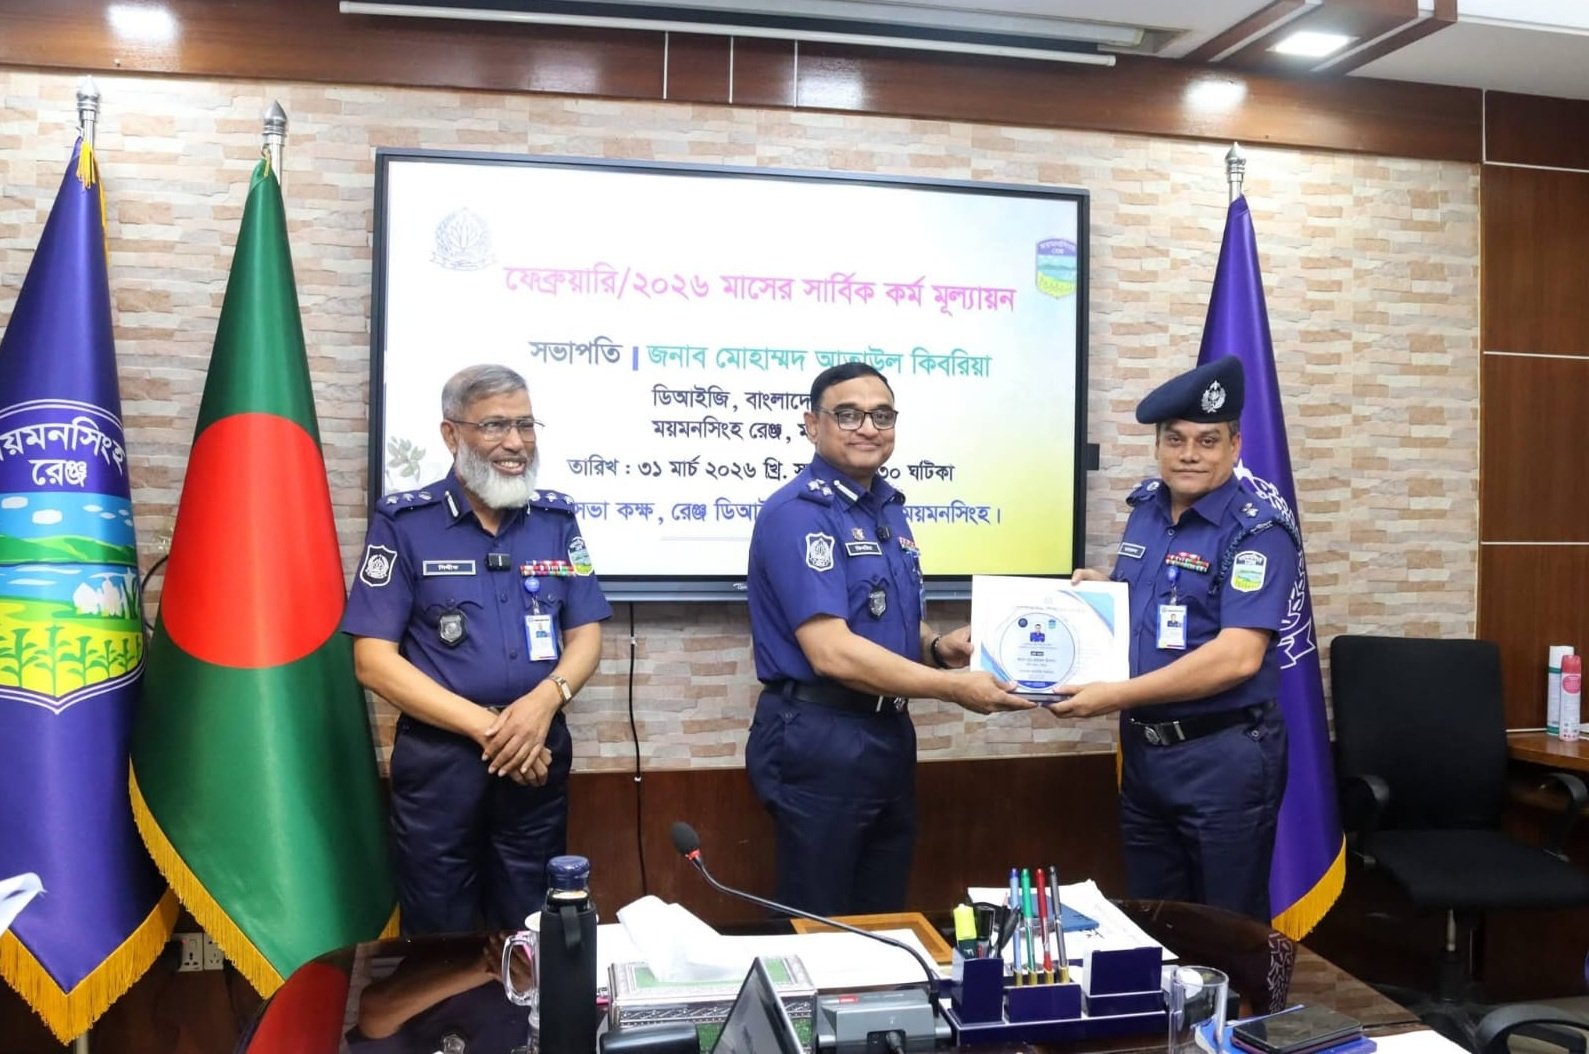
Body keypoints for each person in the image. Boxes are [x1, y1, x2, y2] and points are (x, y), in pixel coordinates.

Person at [745, 361, 1034, 916]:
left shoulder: (885, 507)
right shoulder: (799, 515)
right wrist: (953, 689)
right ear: (812, 425)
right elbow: (832, 651)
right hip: (822, 736)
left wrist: (937, 649)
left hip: (887, 733)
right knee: (821, 918)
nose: (867, 428)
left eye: (882, 416)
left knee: (882, 913)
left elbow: (882, 617)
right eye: (848, 415)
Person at [343, 363, 611, 934]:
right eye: (494, 426)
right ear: (451, 434)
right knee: (441, 936)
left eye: (525, 425)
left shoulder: (555, 521)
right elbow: (372, 661)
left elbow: (586, 635)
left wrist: (543, 703)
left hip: (538, 757)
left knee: (534, 928)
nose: (516, 443)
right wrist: (497, 732)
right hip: (443, 761)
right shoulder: (405, 522)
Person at [1050, 356, 1299, 921]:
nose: (1190, 454)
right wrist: (1107, 593)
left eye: (1208, 441)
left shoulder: (1258, 530)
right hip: (1146, 755)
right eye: (1176, 440)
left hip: (1222, 757)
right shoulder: (1147, 509)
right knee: (1156, 918)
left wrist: (1115, 695)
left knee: (1226, 926)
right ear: (1159, 445)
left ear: (1235, 446)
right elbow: (1165, 602)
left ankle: (1232, 989)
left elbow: (1237, 657)